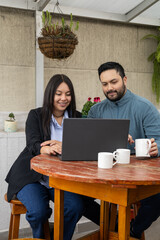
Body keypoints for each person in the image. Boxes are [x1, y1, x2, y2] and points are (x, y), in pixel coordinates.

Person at [5, 74, 100, 240]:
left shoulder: (77, 117)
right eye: (58, 93)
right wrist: (45, 148)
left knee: (75, 207)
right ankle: (41, 236)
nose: (64, 98)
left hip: (61, 179)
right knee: (38, 212)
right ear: (50, 94)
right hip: (32, 177)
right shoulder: (36, 115)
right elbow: (32, 144)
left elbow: (86, 145)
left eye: (68, 94)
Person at [88, 61, 160, 238]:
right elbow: (89, 143)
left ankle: (133, 229)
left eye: (114, 82)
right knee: (74, 197)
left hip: (140, 175)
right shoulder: (96, 111)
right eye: (105, 84)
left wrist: (156, 147)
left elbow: (158, 138)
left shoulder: (145, 107)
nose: (109, 88)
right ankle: (116, 225)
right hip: (104, 174)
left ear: (125, 79)